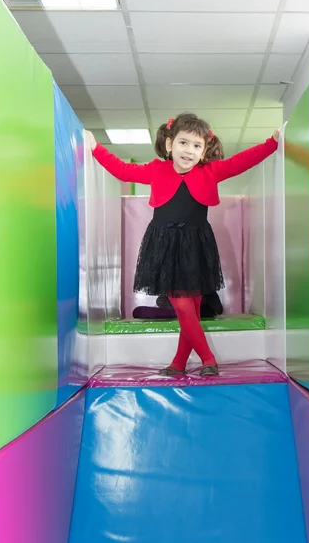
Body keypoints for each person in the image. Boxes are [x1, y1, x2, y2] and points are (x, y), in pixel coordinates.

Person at [86, 113, 279, 376]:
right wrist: (96, 148)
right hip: (165, 246)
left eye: (197, 146)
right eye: (183, 143)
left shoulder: (211, 171)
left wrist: (272, 142)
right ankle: (208, 359)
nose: (189, 150)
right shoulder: (157, 169)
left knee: (194, 310)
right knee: (183, 305)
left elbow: (242, 161)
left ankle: (178, 364)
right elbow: (123, 170)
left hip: (196, 247)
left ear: (204, 151)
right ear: (169, 144)